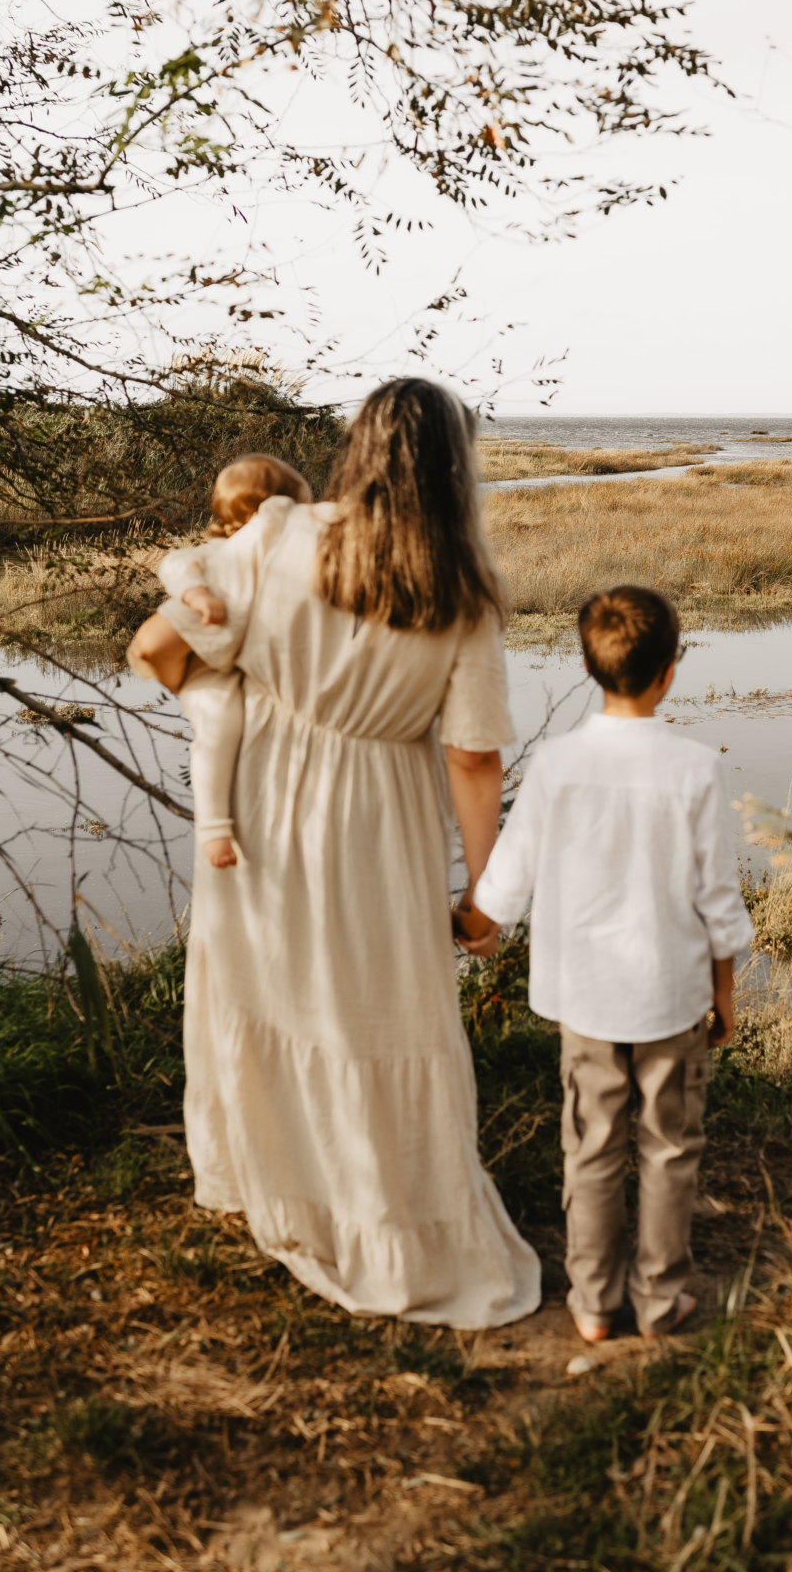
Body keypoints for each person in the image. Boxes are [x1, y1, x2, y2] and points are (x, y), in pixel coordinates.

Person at [127, 380, 541, 1329]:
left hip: (264, 796)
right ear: (453, 468)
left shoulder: (273, 537)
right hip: (382, 814)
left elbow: (158, 643)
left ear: (356, 449)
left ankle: (270, 1186)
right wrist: (487, 891)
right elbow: (474, 756)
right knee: (380, 1008)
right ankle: (391, 1220)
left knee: (267, 989)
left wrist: (216, 704)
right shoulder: (463, 588)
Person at [473, 585, 752, 1343]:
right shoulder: (695, 768)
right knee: (668, 1147)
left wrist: (473, 920)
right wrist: (725, 990)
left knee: (590, 1147)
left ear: (590, 665)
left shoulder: (558, 763)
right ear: (669, 672)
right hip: (671, 994)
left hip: (585, 998)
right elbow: (716, 897)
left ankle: (593, 1302)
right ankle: (659, 1298)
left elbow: (507, 876)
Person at [156, 455, 312, 871]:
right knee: (218, 730)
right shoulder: (218, 553)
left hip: (246, 673)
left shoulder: (284, 561)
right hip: (214, 674)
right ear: (263, 511)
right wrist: (197, 595)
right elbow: (173, 565)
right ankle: (213, 828)